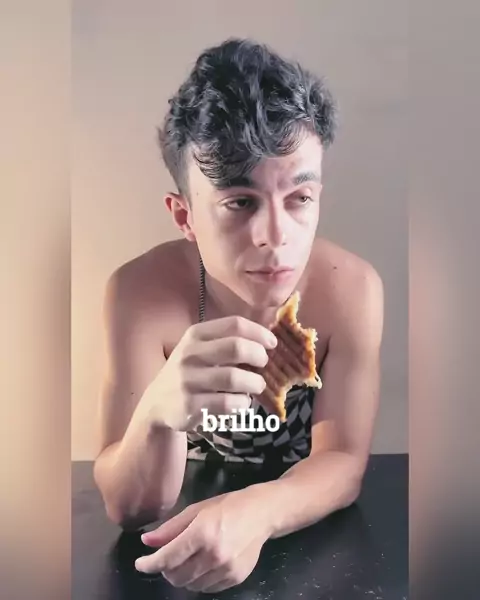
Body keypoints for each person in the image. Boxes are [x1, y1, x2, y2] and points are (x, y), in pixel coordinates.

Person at [93, 37, 384, 593]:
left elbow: (344, 461)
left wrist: (257, 512)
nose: (276, 236)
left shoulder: (351, 291)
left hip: (313, 542)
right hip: (172, 534)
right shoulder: (140, 295)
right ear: (185, 216)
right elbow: (129, 507)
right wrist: (157, 415)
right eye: (240, 202)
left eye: (300, 198)